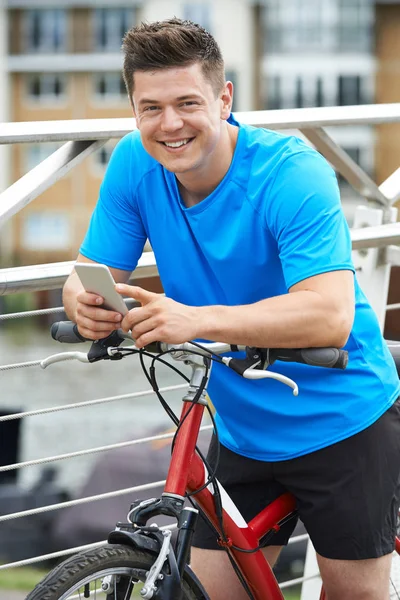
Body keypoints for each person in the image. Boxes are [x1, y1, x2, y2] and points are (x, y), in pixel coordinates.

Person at [62, 18, 400, 600]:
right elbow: (89, 274)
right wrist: (88, 303)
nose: (169, 124)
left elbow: (329, 315)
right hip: (243, 426)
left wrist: (195, 319)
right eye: (151, 107)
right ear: (134, 108)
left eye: (188, 102)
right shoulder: (133, 166)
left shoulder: (292, 172)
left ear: (224, 98)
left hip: (343, 417)